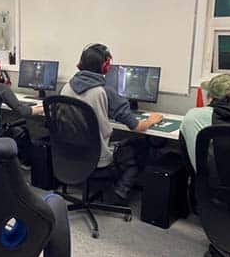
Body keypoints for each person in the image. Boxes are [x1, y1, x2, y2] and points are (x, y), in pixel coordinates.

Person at [60, 43, 163, 206]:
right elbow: (137, 127)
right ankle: (118, 194)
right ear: (106, 65)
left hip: (71, 153)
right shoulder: (105, 91)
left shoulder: (66, 88)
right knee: (141, 147)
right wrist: (153, 119)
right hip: (97, 157)